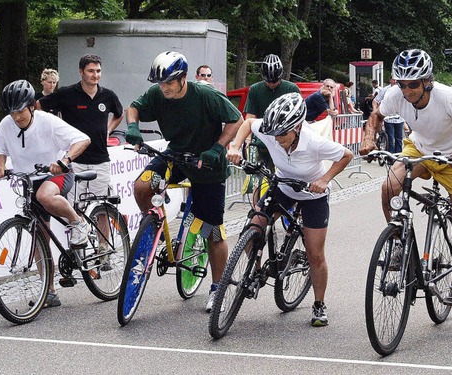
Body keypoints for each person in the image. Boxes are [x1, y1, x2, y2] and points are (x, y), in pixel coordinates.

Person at [360, 49, 452, 333]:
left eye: (414, 84)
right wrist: (369, 139)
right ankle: (398, 242)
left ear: (427, 82)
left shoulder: (447, 97)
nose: (407, 91)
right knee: (388, 189)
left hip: (451, 157)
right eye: (402, 84)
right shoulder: (397, 95)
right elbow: (376, 116)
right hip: (418, 149)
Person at [124, 51, 244, 313]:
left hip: (206, 163)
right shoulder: (157, 94)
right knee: (142, 186)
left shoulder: (205, 95)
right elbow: (133, 107)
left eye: (169, 82)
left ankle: (218, 289)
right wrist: (132, 126)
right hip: (175, 157)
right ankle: (152, 226)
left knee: (211, 231)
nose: (164, 87)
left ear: (183, 78)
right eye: (160, 82)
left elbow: (237, 119)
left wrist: (218, 147)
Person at [227, 93, 353, 326]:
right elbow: (247, 123)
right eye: (273, 135)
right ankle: (253, 271)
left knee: (315, 254)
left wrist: (324, 179)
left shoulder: (314, 142)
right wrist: (235, 146)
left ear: (297, 128)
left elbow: (346, 155)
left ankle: (318, 305)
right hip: (283, 186)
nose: (277, 140)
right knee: (252, 227)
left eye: (283, 135)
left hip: (312, 194)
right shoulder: (272, 130)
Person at [0, 79, 91, 308]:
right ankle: (49, 291)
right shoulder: (6, 124)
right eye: (11, 113)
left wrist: (64, 160)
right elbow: (0, 151)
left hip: (56, 175)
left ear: (30, 106)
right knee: (40, 239)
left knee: (45, 196)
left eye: (20, 112)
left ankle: (77, 223)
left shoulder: (47, 121)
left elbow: (82, 139)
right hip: (29, 181)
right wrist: (0, 166)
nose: (16, 118)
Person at [37, 54, 124, 208]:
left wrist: (108, 130)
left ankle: (101, 234)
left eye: (98, 71)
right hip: (74, 162)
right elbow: (38, 107)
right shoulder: (66, 93)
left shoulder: (108, 95)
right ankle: (80, 233)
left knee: (102, 208)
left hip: (101, 160)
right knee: (76, 208)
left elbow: (119, 114)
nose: (95, 75)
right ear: (81, 72)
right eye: (91, 71)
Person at [243, 54, 300, 204]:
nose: (272, 84)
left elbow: (299, 118)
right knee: (260, 180)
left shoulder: (291, 88)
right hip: (262, 141)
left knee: (287, 177)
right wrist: (247, 139)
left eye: (275, 81)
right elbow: (250, 116)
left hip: (284, 141)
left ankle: (290, 205)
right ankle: (257, 212)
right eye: (268, 81)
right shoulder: (255, 90)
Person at [373, 78, 405, 153]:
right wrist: (375, 112)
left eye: (397, 80)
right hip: (388, 118)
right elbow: (375, 101)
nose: (395, 82)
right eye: (393, 80)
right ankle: (390, 157)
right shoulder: (385, 90)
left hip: (399, 118)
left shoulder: (402, 89)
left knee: (399, 139)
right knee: (391, 139)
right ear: (390, 80)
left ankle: (398, 157)